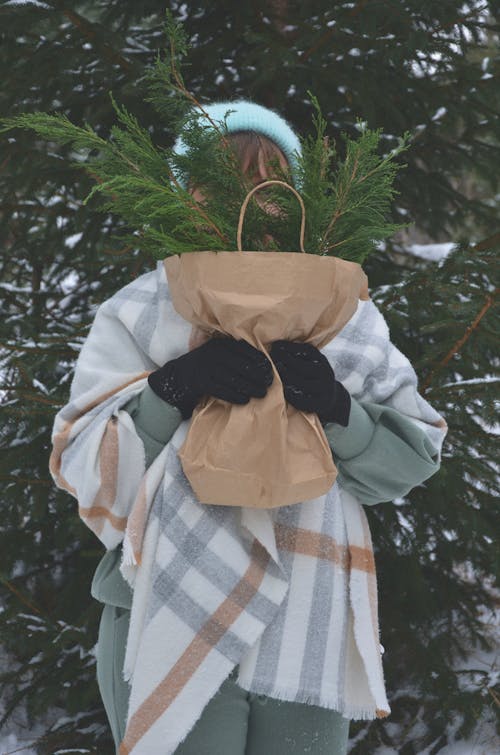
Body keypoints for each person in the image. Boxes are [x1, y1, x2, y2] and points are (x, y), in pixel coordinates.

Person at [51, 101, 447, 755]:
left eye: (269, 169)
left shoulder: (341, 312)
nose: (253, 189)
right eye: (229, 170)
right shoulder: (142, 311)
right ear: (189, 192)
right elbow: (92, 477)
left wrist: (338, 408)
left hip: (308, 616)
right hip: (164, 607)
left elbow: (411, 457)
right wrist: (170, 391)